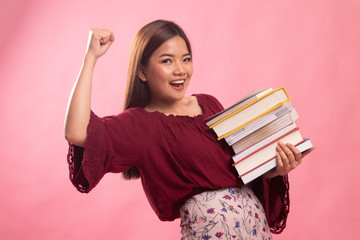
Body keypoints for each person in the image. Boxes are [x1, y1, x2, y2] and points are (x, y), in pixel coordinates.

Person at [64, 20, 313, 239]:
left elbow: (237, 171)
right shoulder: (141, 125)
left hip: (256, 231)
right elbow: (77, 132)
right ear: (142, 71)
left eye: (186, 59)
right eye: (167, 61)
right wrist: (90, 58)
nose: (180, 70)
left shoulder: (208, 104)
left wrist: (274, 168)